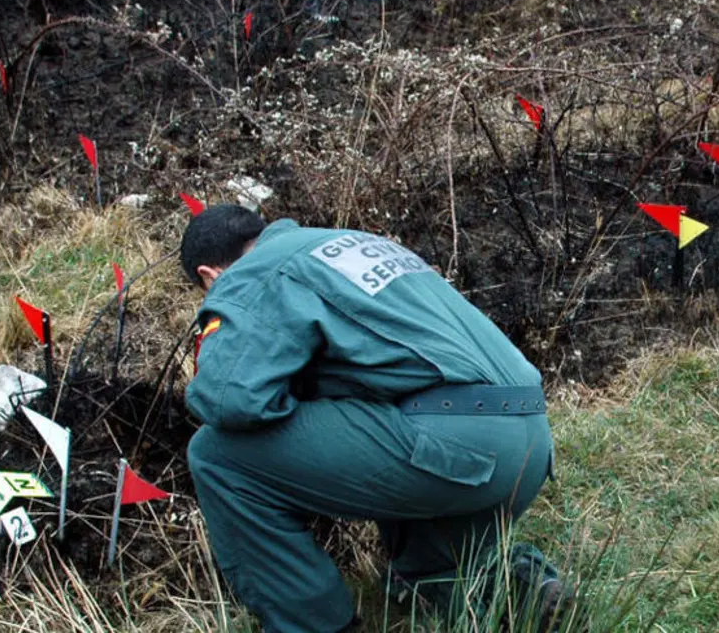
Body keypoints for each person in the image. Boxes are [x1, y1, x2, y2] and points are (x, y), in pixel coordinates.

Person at [181, 205, 567, 633]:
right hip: (527, 441)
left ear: (209, 276)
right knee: (423, 576)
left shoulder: (254, 272)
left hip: (457, 442)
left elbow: (229, 400)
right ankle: (525, 593)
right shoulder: (348, 244)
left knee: (216, 456)